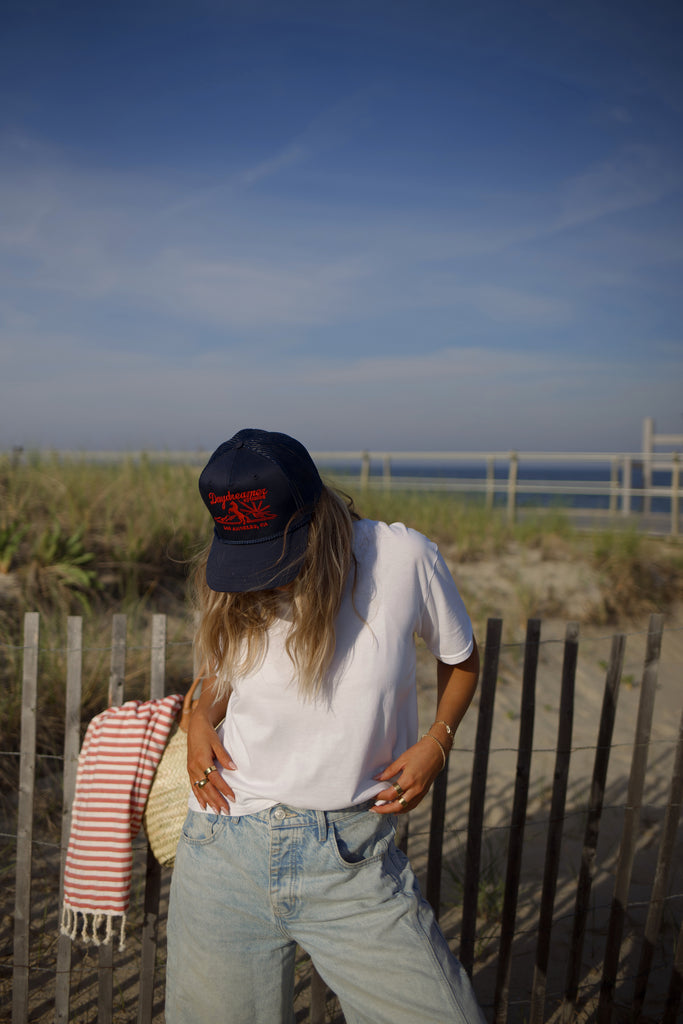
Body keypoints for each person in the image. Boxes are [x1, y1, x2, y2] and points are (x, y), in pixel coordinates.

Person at [166, 428, 486, 1024]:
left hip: (351, 859)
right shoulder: (237, 579)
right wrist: (198, 721)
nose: (267, 576)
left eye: (277, 552)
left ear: (318, 517)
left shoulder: (403, 558)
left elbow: (461, 659)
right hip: (222, 851)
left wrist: (437, 742)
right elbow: (221, 675)